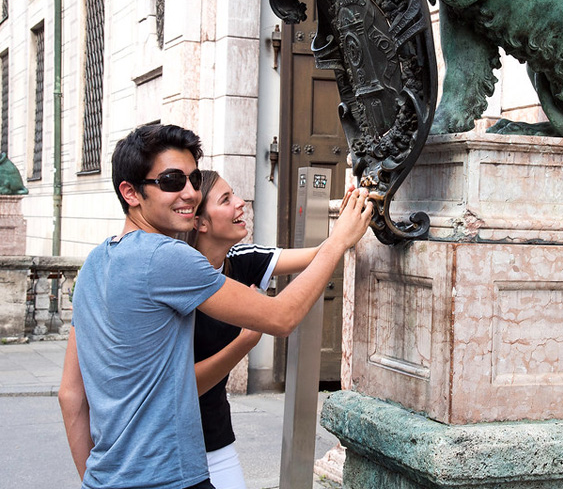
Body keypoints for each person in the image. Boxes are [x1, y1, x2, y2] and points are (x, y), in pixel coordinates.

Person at [57, 124, 372, 489]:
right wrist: (339, 242)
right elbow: (282, 317)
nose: (190, 193)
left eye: (193, 179)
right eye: (173, 180)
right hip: (170, 478)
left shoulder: (95, 262)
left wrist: (95, 480)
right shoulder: (167, 257)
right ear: (130, 192)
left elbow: (71, 396)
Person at [183, 170, 325, 489]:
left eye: (235, 194)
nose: (240, 204)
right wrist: (246, 342)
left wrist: (351, 222)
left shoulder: (241, 260)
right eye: (226, 199)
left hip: (216, 436)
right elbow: (184, 384)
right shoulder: (178, 276)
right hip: (170, 441)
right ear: (200, 222)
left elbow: (317, 257)